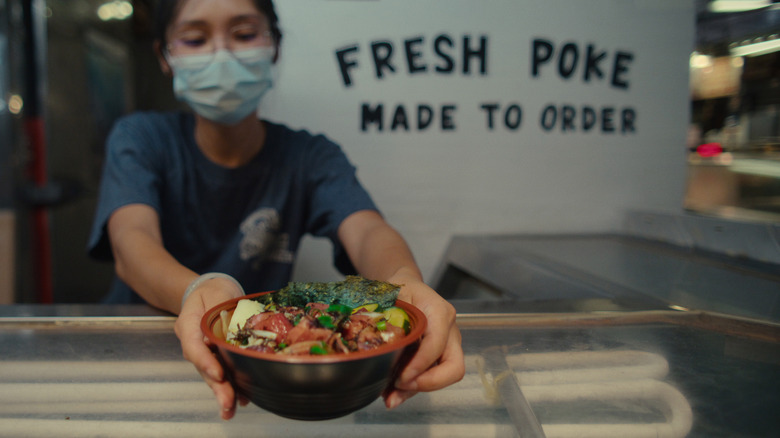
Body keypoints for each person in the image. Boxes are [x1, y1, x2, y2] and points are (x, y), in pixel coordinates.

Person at [87, 0, 464, 420]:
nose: (222, 56)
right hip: (138, 353)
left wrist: (403, 282)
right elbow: (131, 242)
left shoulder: (310, 157)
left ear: (275, 47)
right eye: (195, 39)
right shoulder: (141, 139)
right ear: (165, 56)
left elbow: (367, 230)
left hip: (254, 366)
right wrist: (199, 291)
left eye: (244, 34)